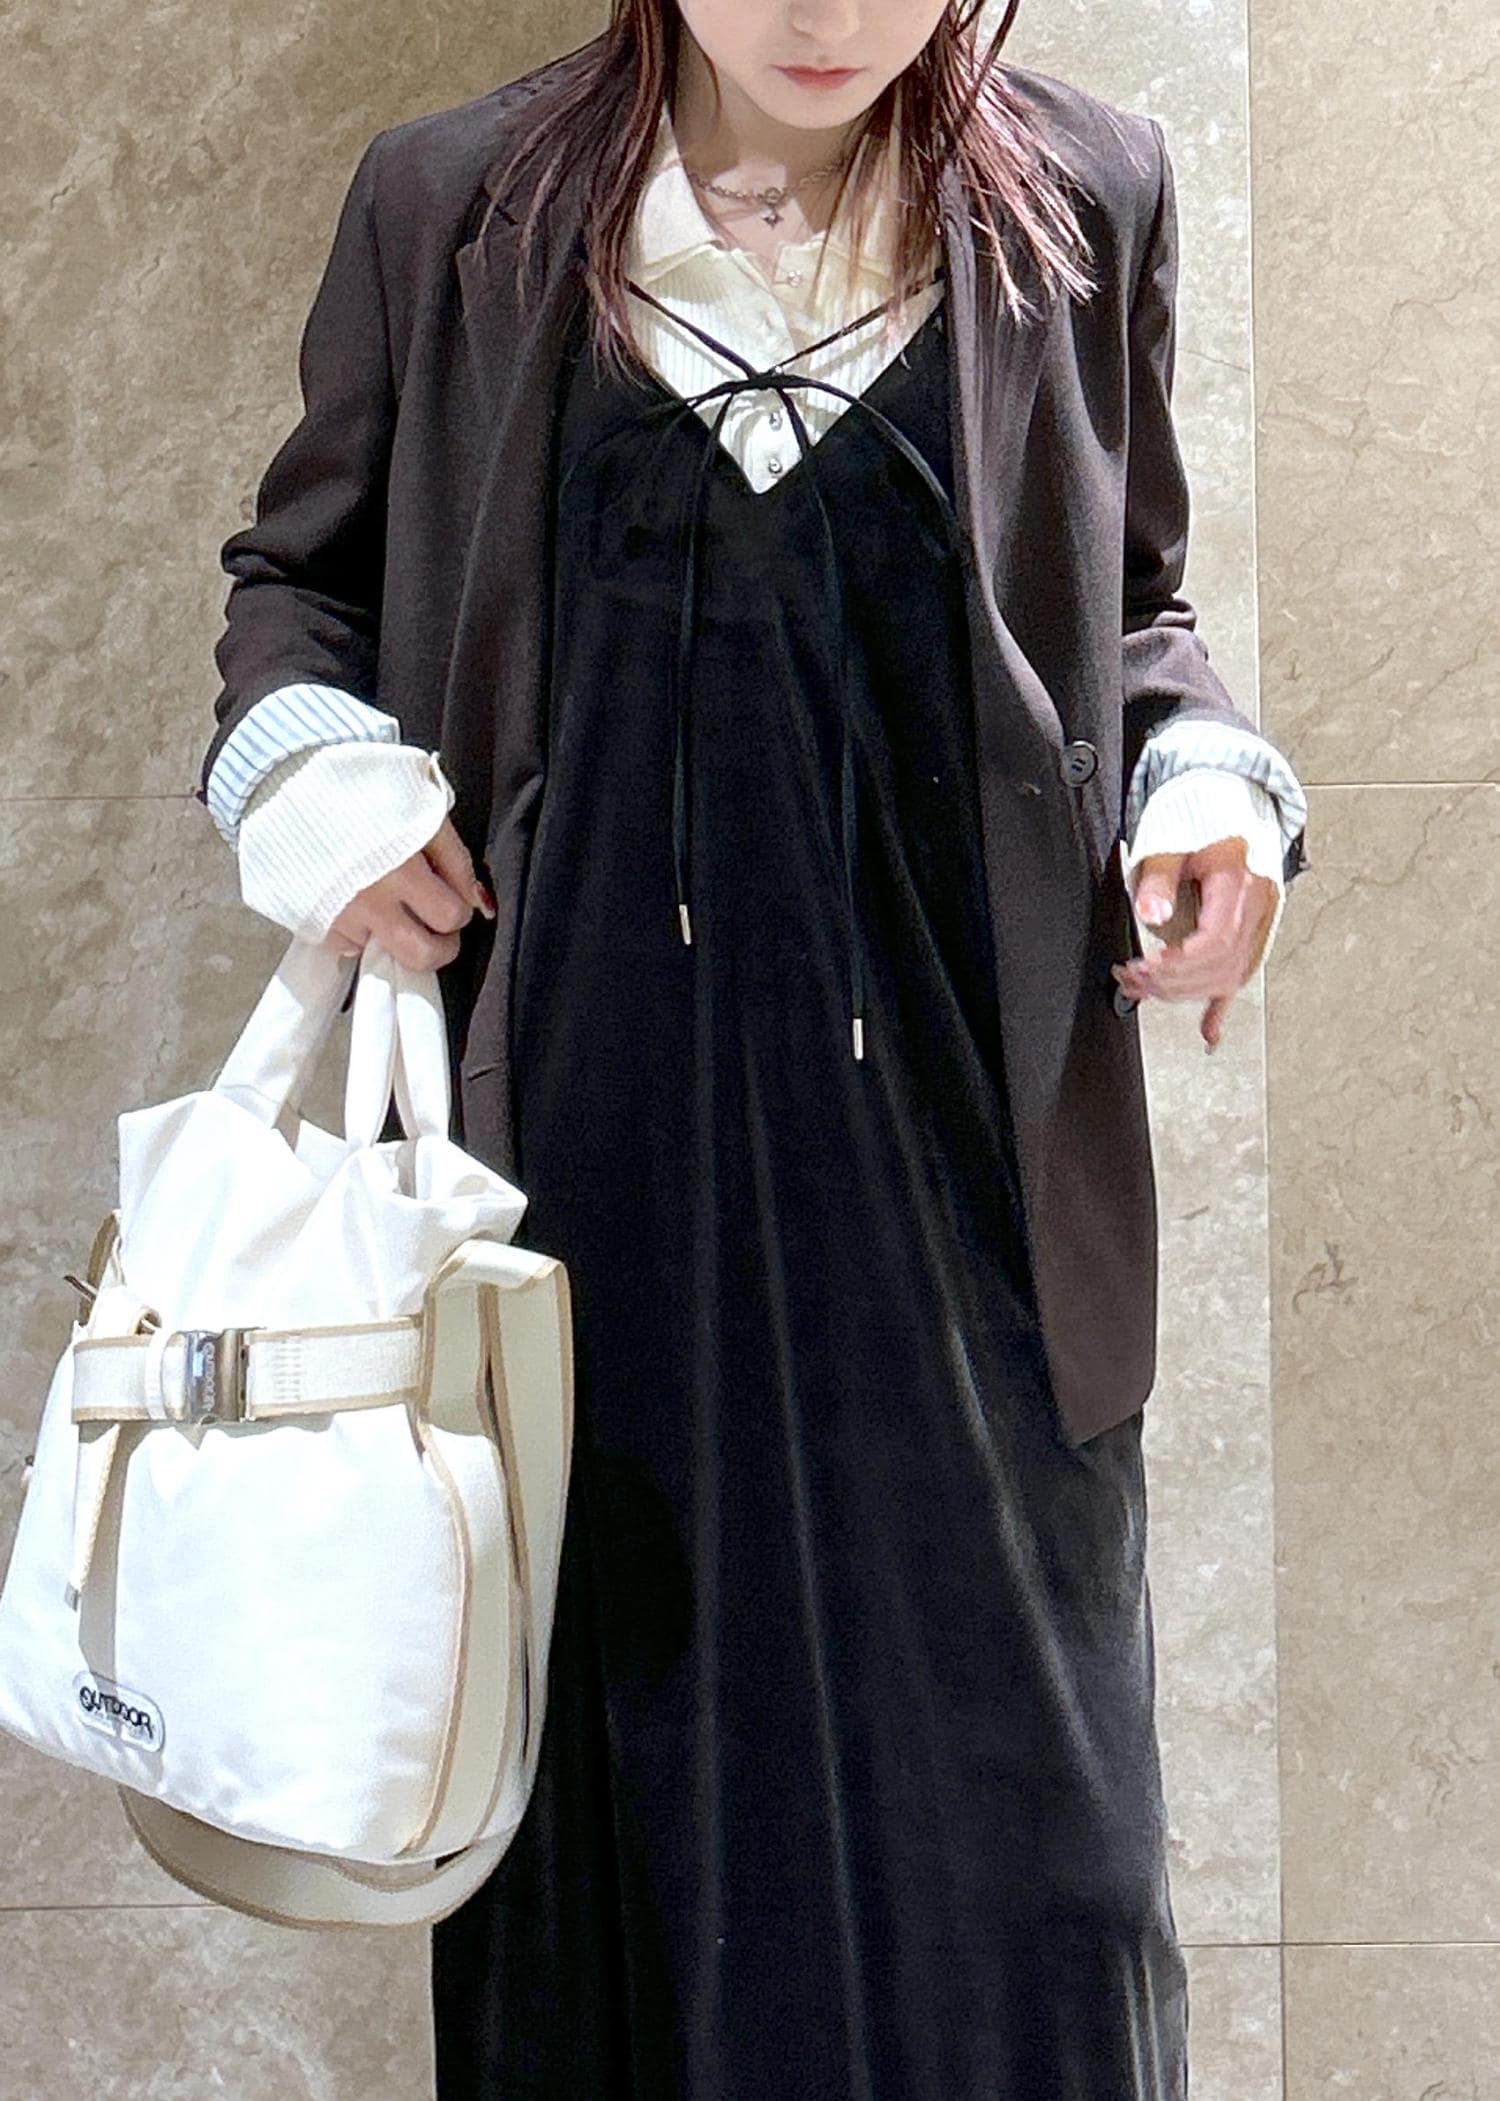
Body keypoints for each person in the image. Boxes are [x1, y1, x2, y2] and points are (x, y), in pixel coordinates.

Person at [194, 3, 1309, 2093]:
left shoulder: (1089, 197)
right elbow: (299, 588)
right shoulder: (456, 205)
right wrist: (310, 774)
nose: (826, 15)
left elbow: (1134, 606)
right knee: (624, 1855)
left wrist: (1211, 778)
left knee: (1035, 1880)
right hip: (581, 1187)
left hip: (970, 1198)